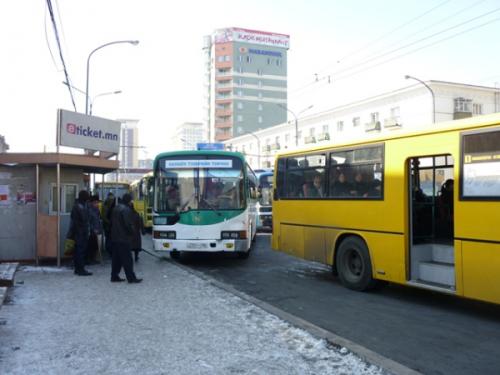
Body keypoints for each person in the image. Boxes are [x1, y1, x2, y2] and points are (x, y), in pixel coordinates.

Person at [109, 193, 142, 283]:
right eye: (131, 200)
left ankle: (114, 276)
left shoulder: (116, 208)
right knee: (127, 259)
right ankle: (131, 278)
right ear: (128, 200)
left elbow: (111, 222)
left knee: (116, 259)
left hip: (115, 237)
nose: (132, 202)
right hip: (123, 238)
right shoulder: (126, 210)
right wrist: (133, 232)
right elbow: (128, 224)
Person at [70, 190, 92, 276]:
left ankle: (78, 268)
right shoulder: (80, 206)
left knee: (78, 250)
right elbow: (84, 218)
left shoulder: (80, 205)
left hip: (79, 231)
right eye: (87, 196)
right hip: (80, 231)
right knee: (80, 251)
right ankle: (80, 269)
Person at [87, 195, 103, 264]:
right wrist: (93, 229)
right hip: (91, 232)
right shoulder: (89, 210)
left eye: (97, 202)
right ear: (92, 202)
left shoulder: (96, 210)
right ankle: (89, 259)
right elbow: (88, 222)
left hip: (97, 231)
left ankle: (93, 259)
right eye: (96, 202)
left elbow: (98, 219)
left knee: (95, 246)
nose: (97, 204)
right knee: (90, 246)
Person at [102, 192, 115, 257]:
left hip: (107, 225)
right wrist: (110, 223)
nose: (112, 200)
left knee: (109, 238)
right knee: (109, 239)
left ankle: (109, 250)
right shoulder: (106, 206)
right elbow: (104, 217)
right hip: (108, 226)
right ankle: (109, 251)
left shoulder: (104, 205)